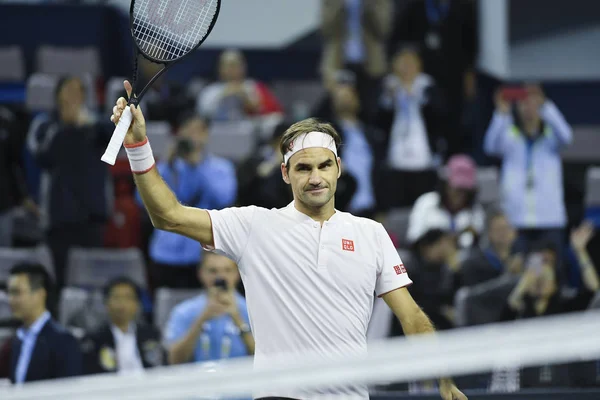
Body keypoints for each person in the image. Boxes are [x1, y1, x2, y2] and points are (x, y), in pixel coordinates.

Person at [110, 80, 466, 400]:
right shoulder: (253, 225)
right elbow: (167, 215)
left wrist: (444, 379)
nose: (316, 177)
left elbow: (412, 317)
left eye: (324, 166)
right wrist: (138, 145)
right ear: (285, 172)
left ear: (339, 168)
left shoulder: (370, 233)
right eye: (303, 167)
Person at [27, 76, 113, 288]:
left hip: (92, 215)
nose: (73, 96)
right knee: (60, 279)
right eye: (68, 90)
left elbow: (117, 145)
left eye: (78, 91)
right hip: (59, 216)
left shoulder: (96, 124)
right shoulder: (45, 124)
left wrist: (89, 123)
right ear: (57, 96)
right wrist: (66, 127)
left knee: (92, 278)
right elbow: (41, 158)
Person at [138, 113, 237, 289]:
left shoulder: (220, 168)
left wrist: (197, 166)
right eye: (189, 130)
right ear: (180, 133)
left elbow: (224, 198)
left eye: (198, 131)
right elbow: (141, 199)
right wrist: (167, 165)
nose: (194, 136)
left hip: (202, 254)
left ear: (206, 134)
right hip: (165, 252)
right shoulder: (168, 166)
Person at [484, 84, 572, 260]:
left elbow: (567, 136)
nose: (528, 106)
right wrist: (501, 113)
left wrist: (546, 106)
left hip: (550, 219)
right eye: (523, 101)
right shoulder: (510, 136)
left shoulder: (551, 138)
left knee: (552, 276)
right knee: (516, 271)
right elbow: (490, 146)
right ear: (517, 106)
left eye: (533, 100)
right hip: (516, 219)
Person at [376, 45, 447, 209]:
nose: (407, 68)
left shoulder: (428, 86)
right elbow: (377, 120)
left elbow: (441, 116)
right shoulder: (388, 87)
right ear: (394, 66)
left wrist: (421, 97)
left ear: (419, 65)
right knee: (398, 209)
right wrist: (390, 98)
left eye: (411, 63)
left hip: (424, 162)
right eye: (403, 63)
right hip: (396, 162)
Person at [165, 252, 253, 364]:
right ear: (201, 273)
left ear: (237, 274)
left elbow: (267, 360)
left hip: (242, 378)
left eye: (227, 270)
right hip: (198, 379)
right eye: (213, 271)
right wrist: (201, 320)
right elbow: (174, 361)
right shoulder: (183, 312)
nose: (221, 277)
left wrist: (238, 319)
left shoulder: (251, 309)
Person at [7, 262, 82, 383]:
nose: (10, 299)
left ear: (40, 294)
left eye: (16, 292)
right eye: (9, 293)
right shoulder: (17, 341)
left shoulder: (63, 341)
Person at [321, 0, 393, 121]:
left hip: (371, 67)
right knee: (338, 113)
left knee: (370, 114)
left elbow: (383, 29)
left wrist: (369, 5)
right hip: (339, 64)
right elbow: (326, 28)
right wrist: (340, 5)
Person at [83, 277, 163, 375]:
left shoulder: (151, 334)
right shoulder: (94, 339)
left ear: (137, 304)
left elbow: (160, 366)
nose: (122, 304)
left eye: (128, 298)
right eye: (116, 297)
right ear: (106, 303)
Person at [407, 154, 485, 247]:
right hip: (425, 258)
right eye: (457, 189)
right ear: (446, 184)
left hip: (465, 260)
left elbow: (478, 247)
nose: (461, 195)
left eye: (465, 190)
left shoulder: (475, 211)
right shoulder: (426, 202)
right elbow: (413, 239)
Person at [197, 50, 282, 121]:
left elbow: (273, 112)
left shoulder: (254, 86)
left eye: (235, 65)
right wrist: (224, 94)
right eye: (228, 65)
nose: (231, 69)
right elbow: (203, 114)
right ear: (220, 68)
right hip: (218, 131)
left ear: (243, 67)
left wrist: (248, 101)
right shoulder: (210, 91)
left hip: (249, 131)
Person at [460, 210, 523, 287]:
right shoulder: (476, 264)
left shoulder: (522, 259)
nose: (503, 233)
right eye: (498, 229)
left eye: (506, 228)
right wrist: (508, 273)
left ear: (514, 232)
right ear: (489, 234)